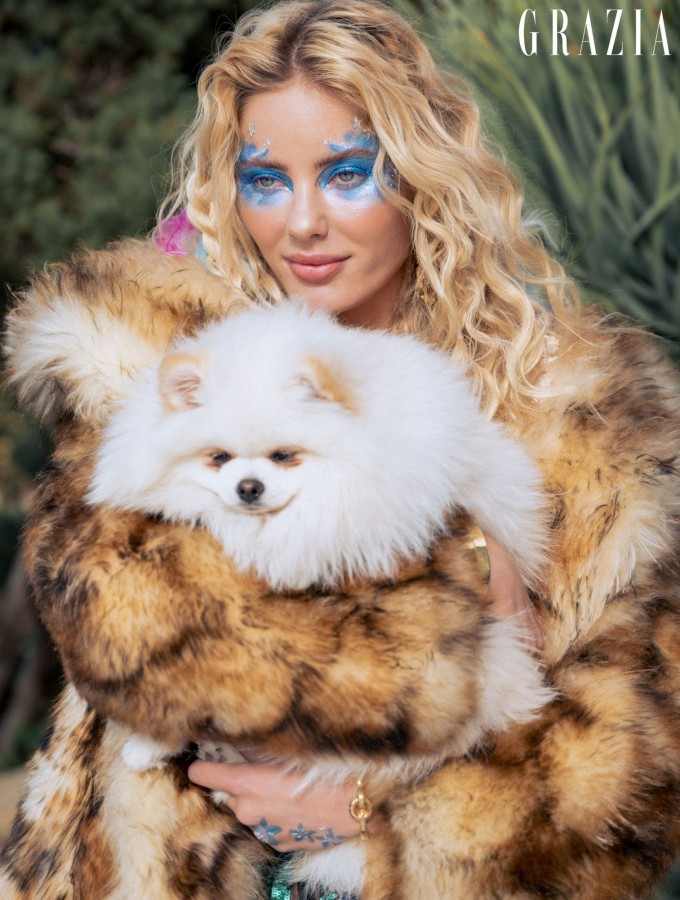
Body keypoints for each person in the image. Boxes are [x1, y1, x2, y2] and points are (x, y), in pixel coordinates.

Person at [2, 1, 680, 898]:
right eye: (265, 179)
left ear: (422, 173)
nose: (303, 222)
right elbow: (109, 611)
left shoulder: (571, 408)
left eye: (347, 173)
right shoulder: (170, 353)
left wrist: (371, 808)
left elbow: (634, 766)